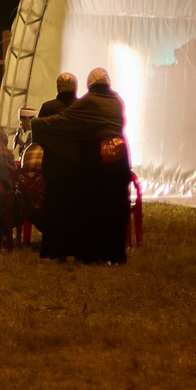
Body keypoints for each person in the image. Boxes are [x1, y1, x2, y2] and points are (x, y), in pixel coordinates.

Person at [35, 67, 129, 265]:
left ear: (90, 84)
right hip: (120, 159)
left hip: (100, 161)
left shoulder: (89, 101)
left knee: (96, 207)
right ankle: (116, 254)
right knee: (116, 209)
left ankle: (94, 254)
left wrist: (37, 124)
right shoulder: (117, 101)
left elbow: (64, 121)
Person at [32, 72, 80, 259]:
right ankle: (73, 246)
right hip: (75, 165)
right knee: (74, 206)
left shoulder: (47, 107)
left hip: (53, 164)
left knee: (53, 206)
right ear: (75, 87)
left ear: (57, 87)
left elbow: (40, 136)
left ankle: (51, 248)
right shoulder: (80, 107)